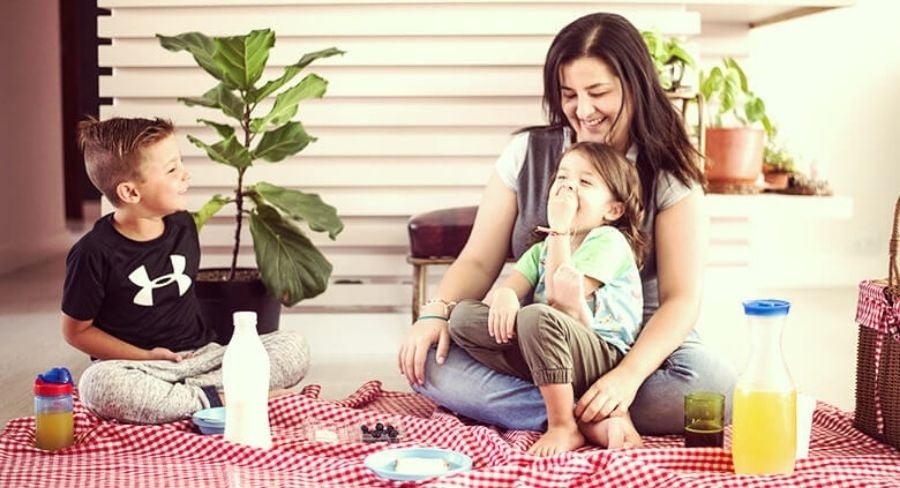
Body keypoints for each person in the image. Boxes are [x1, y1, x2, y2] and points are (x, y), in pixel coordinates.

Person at [398, 12, 737, 437]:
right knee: (429, 363)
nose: (583, 110)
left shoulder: (669, 172)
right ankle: (590, 418)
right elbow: (480, 261)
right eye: (569, 94)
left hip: (633, 344)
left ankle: (564, 409)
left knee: (714, 389)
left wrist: (626, 378)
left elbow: (681, 300)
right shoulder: (526, 153)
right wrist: (434, 315)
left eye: (598, 92)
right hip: (536, 335)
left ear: (635, 87)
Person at [62, 117, 310, 424]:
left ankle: (197, 399)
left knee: (293, 347)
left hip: (203, 356)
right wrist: (146, 356)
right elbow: (76, 331)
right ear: (130, 193)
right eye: (171, 170)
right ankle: (227, 397)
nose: (186, 175)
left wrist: (214, 359)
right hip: (141, 367)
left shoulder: (183, 224)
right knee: (97, 386)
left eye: (180, 163)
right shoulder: (92, 253)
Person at [448, 142, 646, 455]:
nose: (569, 187)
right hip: (544, 348)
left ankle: (563, 425)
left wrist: (560, 230)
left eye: (585, 182)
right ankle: (582, 416)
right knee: (461, 318)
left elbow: (560, 298)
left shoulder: (609, 241)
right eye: (562, 179)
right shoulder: (540, 251)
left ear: (613, 210)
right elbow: (508, 289)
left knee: (535, 315)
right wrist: (505, 296)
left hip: (600, 354)